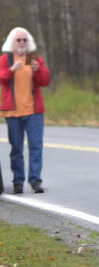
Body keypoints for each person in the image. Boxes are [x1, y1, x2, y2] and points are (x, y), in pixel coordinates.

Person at [1, 27, 51, 193]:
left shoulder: (33, 59)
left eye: (24, 40)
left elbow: (45, 81)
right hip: (13, 113)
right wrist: (11, 70)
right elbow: (1, 77)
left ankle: (35, 181)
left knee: (36, 147)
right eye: (18, 40)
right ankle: (18, 182)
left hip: (34, 112)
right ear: (12, 42)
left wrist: (38, 70)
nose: (22, 43)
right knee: (16, 149)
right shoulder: (6, 59)